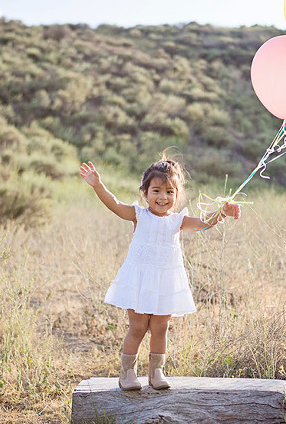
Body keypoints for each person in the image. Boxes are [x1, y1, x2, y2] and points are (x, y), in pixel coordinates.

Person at [79, 154, 240, 390]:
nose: (162, 197)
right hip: (140, 280)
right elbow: (114, 204)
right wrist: (97, 185)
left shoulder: (178, 220)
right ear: (145, 192)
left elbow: (205, 222)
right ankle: (127, 373)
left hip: (165, 281)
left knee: (161, 327)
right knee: (137, 327)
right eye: (156, 191)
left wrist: (223, 212)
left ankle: (156, 372)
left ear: (176, 195)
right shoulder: (139, 215)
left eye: (169, 192)